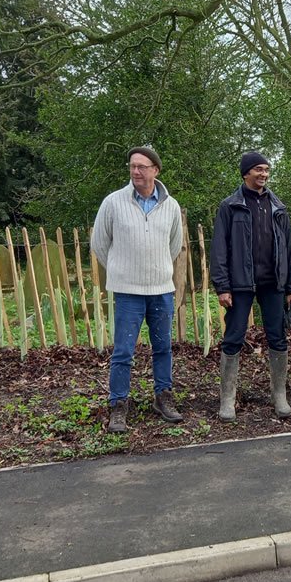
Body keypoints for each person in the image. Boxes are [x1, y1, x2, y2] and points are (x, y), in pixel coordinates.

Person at [91, 146, 184, 433]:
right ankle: (118, 405)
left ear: (156, 170)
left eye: (142, 167)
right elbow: (99, 244)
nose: (135, 172)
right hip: (128, 291)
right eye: (132, 166)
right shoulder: (113, 202)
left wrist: (156, 270)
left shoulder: (170, 206)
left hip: (160, 290)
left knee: (163, 348)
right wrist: (122, 270)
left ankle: (163, 398)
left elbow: (173, 245)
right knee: (123, 351)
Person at [211, 152, 291, 421]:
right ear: (245, 174)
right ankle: (227, 400)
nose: (263, 174)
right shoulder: (230, 206)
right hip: (239, 284)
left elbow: (288, 249)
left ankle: (280, 396)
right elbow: (219, 249)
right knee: (234, 337)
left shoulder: (278, 208)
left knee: (277, 337)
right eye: (258, 170)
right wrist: (222, 286)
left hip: (273, 283)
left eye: (266, 170)